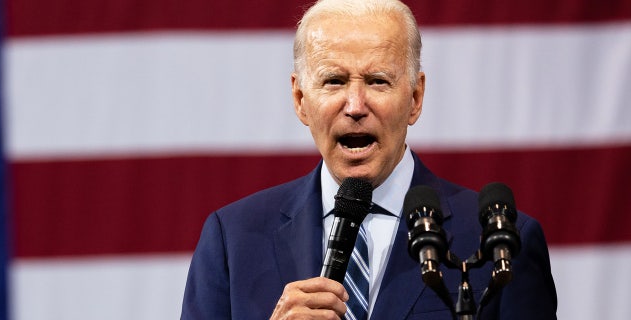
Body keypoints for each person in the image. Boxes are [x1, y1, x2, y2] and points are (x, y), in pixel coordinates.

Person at [180, 0, 557, 319]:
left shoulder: (503, 243)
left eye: (378, 81)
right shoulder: (232, 240)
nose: (356, 106)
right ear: (300, 100)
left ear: (415, 97)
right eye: (334, 81)